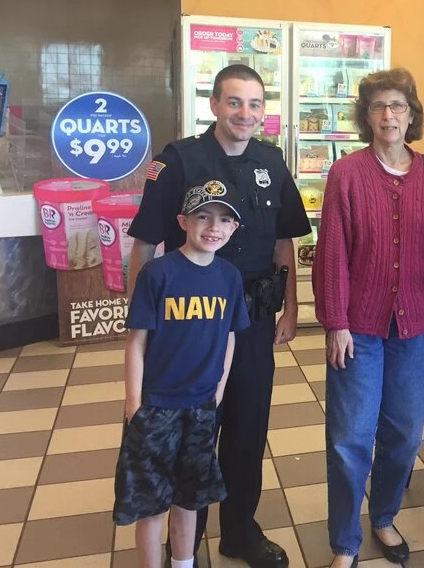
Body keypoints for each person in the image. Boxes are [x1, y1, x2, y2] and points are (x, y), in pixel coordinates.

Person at [128, 63, 310, 568]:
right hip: (189, 325)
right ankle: (186, 537)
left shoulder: (272, 161)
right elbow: (144, 243)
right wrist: (141, 320)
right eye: (234, 102)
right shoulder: (180, 160)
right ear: (213, 105)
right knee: (190, 424)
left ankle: (239, 532)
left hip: (252, 318)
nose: (245, 114)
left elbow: (283, 240)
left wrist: (292, 308)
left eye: (255, 104)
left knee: (248, 427)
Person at [313, 68, 424, 568]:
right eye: (378, 107)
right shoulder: (347, 173)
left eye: (397, 105)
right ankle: (344, 542)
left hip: (417, 328)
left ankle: (384, 516)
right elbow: (332, 253)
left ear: (412, 113)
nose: (388, 115)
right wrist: (335, 321)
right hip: (359, 329)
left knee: (403, 435)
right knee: (350, 436)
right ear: (366, 116)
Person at [113, 178, 250, 568]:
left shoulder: (229, 277)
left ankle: (183, 562)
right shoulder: (158, 274)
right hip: (155, 406)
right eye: (202, 217)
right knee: (151, 503)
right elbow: (136, 342)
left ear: (234, 228)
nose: (213, 227)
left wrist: (219, 389)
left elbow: (229, 338)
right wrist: (134, 402)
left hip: (202, 405)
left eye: (224, 220)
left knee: (190, 497)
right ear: (183, 222)